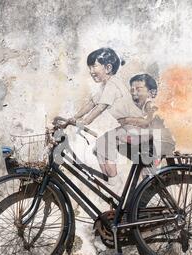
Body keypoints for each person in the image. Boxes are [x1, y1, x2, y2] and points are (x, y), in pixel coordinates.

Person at [68, 48, 148, 182]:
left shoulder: (113, 84)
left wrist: (86, 121)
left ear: (108, 67)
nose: (91, 71)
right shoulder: (105, 86)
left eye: (94, 66)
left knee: (103, 145)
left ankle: (114, 182)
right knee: (100, 147)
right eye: (89, 67)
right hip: (130, 127)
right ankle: (111, 180)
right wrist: (74, 118)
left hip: (137, 127)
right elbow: (92, 103)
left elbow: (100, 107)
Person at [118, 73, 176, 158]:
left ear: (151, 92)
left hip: (162, 141)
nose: (134, 92)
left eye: (138, 89)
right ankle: (144, 168)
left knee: (122, 141)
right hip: (156, 139)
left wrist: (127, 120)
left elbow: (146, 122)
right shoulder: (144, 106)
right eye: (132, 89)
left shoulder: (150, 104)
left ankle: (143, 168)